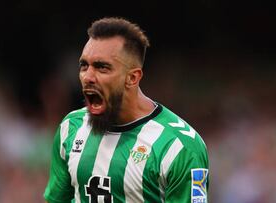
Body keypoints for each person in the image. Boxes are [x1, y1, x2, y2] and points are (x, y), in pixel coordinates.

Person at [44, 17, 209, 203]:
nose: (88, 77)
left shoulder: (180, 147)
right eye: (84, 65)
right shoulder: (70, 128)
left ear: (132, 77)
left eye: (102, 67)